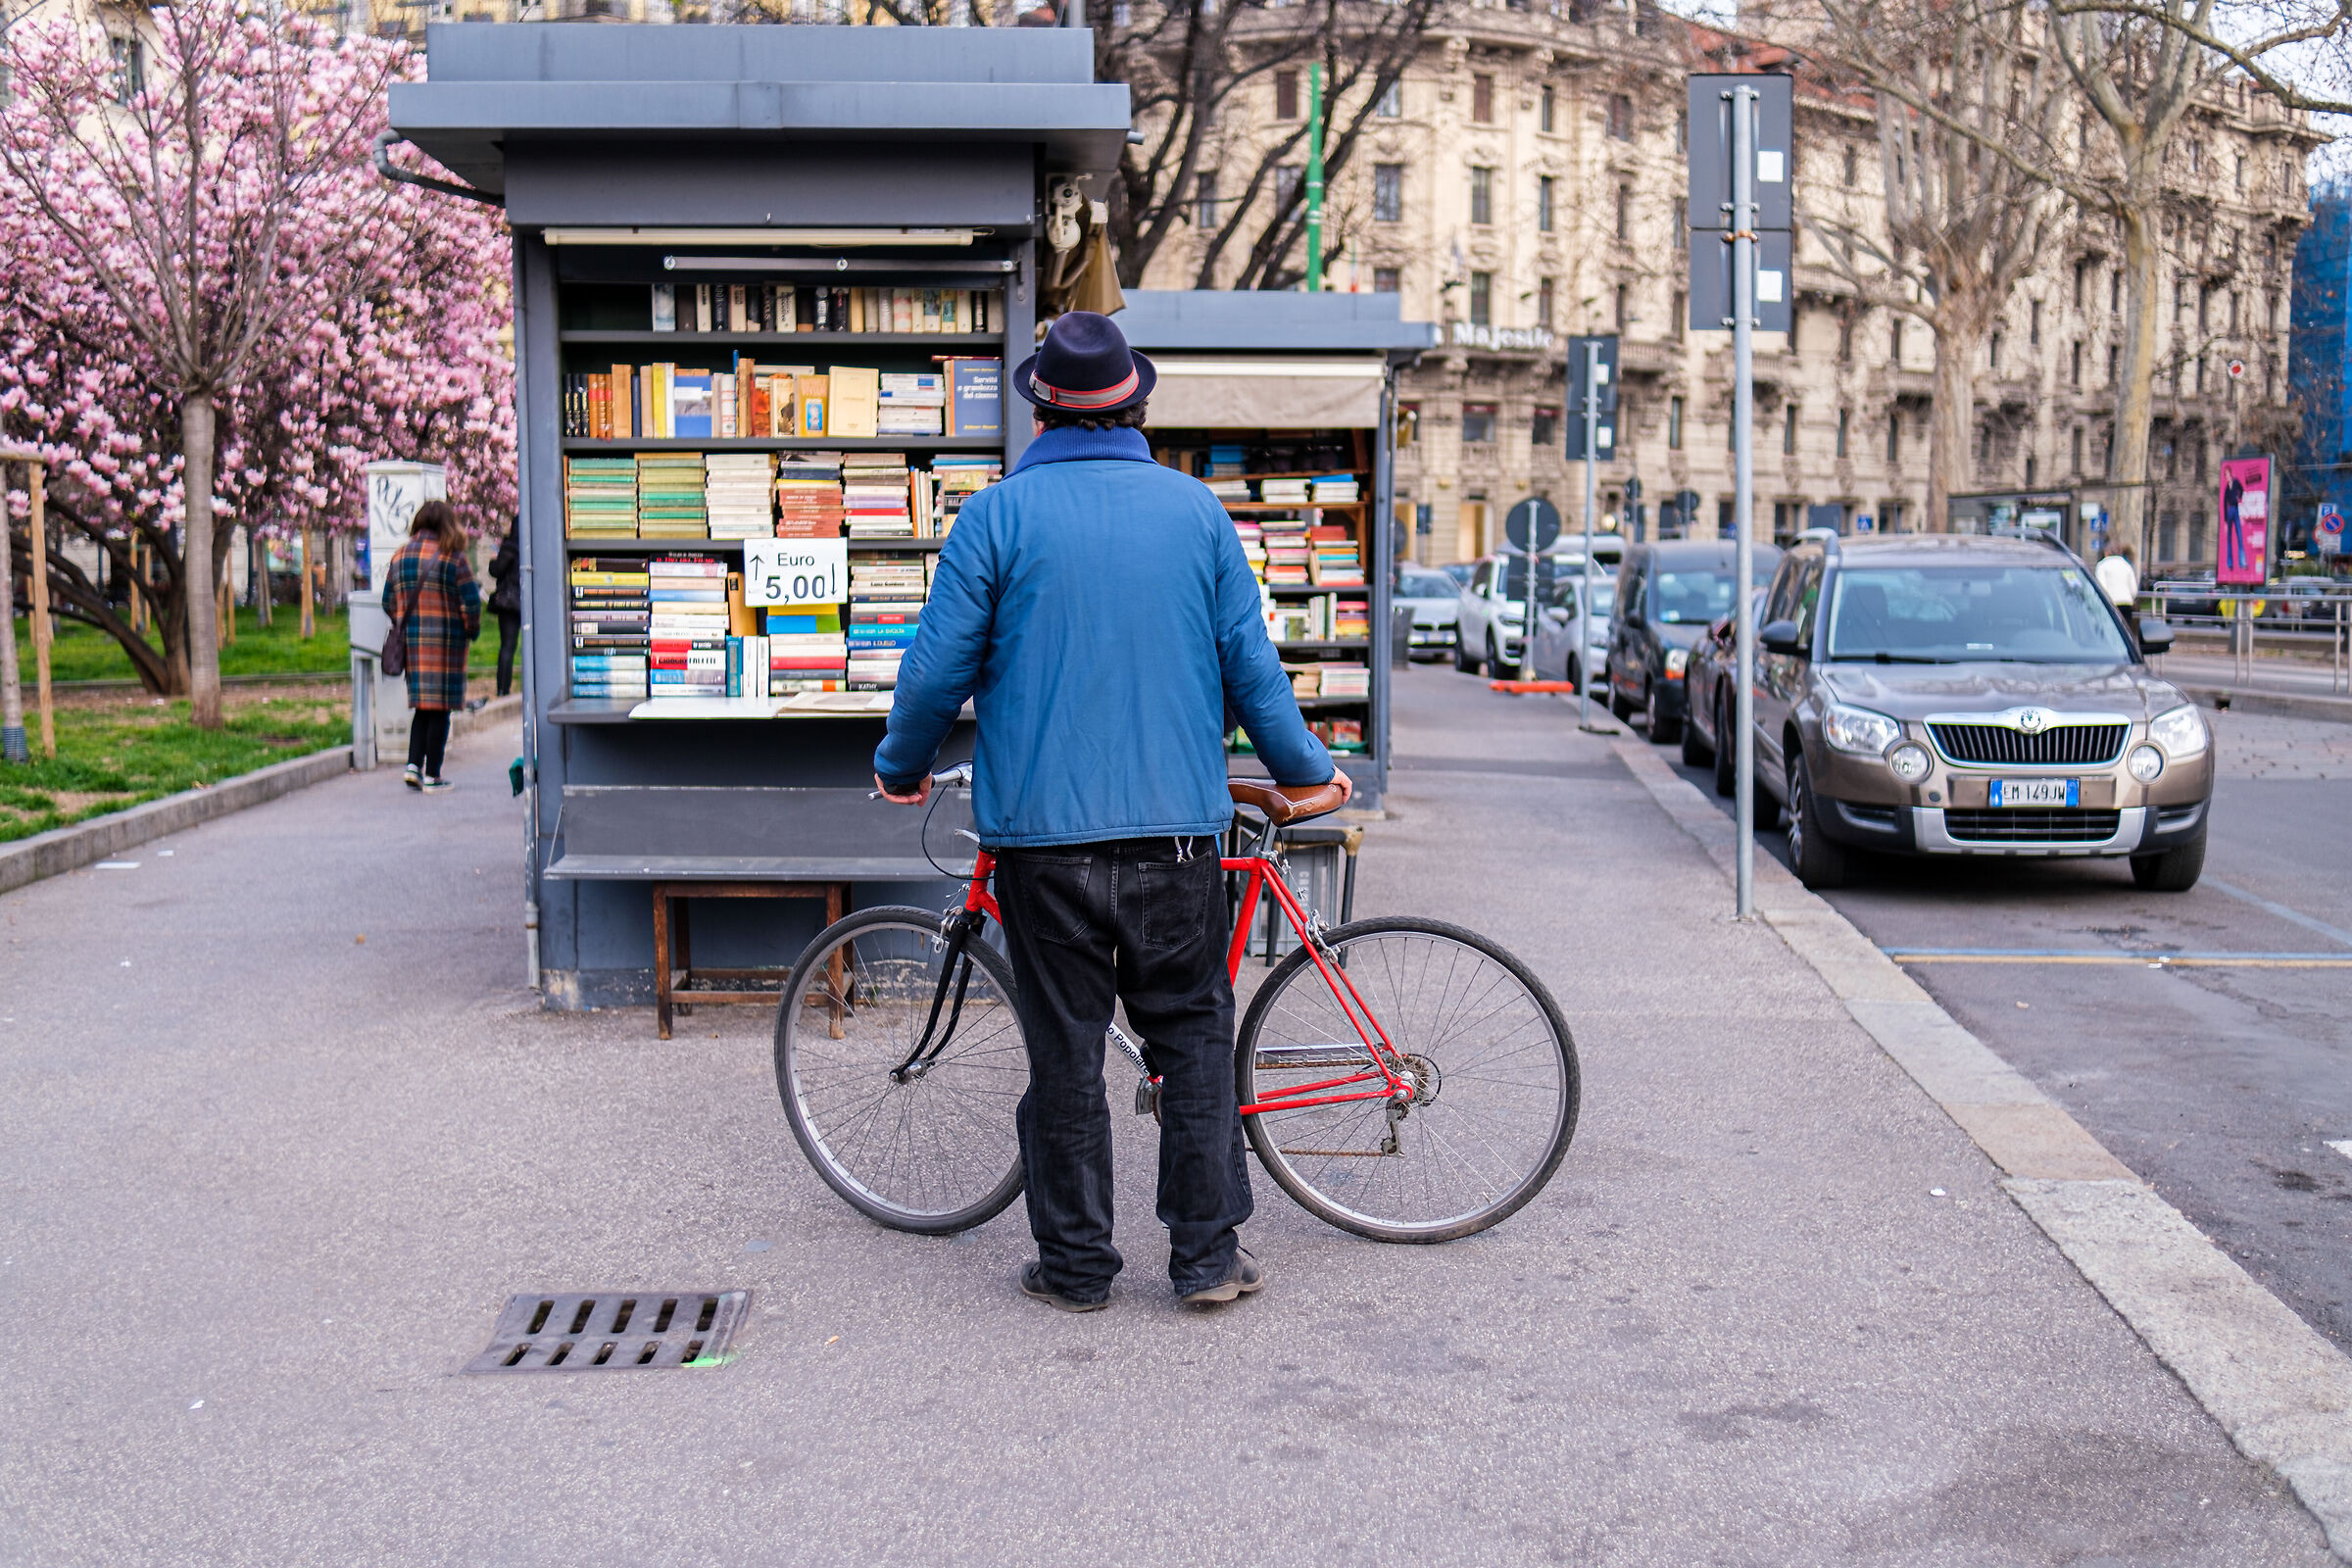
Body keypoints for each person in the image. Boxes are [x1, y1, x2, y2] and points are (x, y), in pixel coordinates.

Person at [873, 312, 1349, 1312]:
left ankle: (1079, 1265)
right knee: (1191, 1041)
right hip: (1180, 834)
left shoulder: (994, 519)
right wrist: (1307, 771)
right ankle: (1207, 1258)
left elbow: (931, 678)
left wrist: (901, 765)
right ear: (1135, 401)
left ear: (1041, 403)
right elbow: (1254, 676)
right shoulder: (1196, 514)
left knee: (1066, 1053)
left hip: (1043, 847)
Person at [383, 501, 481, 794]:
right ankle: (433, 776)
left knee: (422, 707)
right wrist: (470, 629)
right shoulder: (454, 558)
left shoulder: (400, 555)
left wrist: (406, 622)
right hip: (446, 644)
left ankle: (413, 767)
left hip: (414, 645)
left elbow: (387, 600)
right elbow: (471, 602)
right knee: (440, 709)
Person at [488, 517, 522, 698]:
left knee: (507, 646)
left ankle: (503, 689)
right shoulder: (530, 546)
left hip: (509, 603)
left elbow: (496, 570)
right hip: (525, 601)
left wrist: (493, 561)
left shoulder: (510, 547)